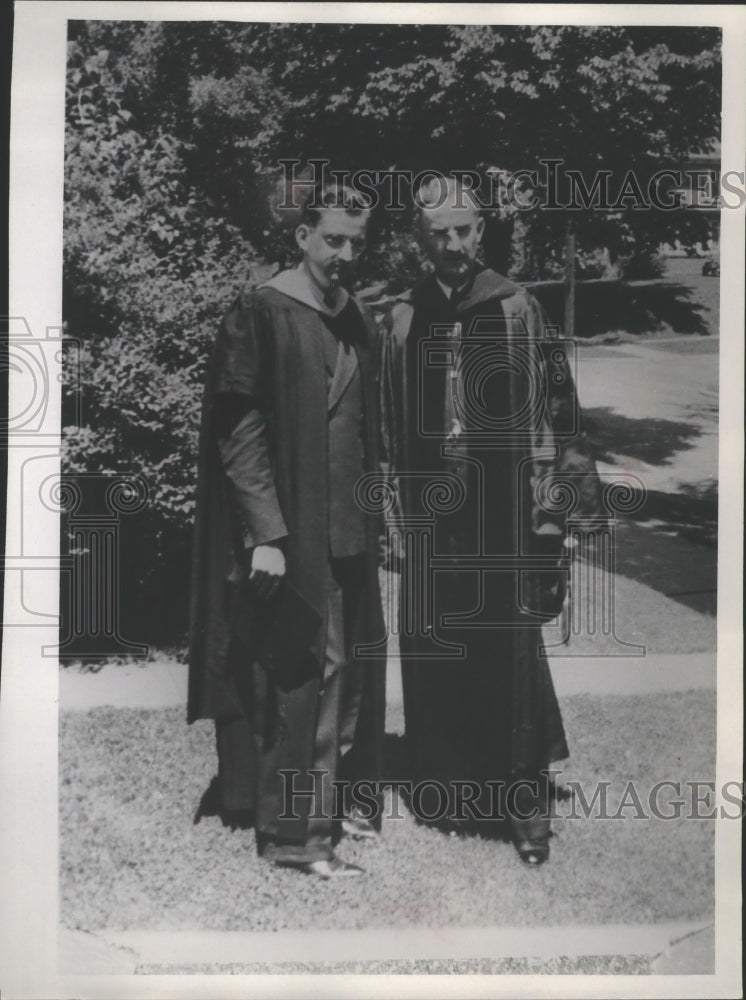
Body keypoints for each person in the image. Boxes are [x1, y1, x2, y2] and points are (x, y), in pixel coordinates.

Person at [380, 176, 603, 864]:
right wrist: (390, 515)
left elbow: (557, 414)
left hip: (503, 513)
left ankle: (525, 804)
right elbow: (386, 429)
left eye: (463, 230)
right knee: (438, 647)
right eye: (439, 234)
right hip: (431, 517)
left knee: (509, 652)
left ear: (481, 230)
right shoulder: (403, 318)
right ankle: (452, 791)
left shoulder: (515, 306)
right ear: (420, 239)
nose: (453, 245)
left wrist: (554, 516)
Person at [188, 181, 386, 878]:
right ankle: (296, 835)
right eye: (332, 239)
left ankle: (333, 805)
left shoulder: (353, 316)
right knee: (307, 677)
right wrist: (266, 534)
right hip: (294, 530)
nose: (345, 254)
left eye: (356, 242)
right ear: (302, 236)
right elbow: (239, 432)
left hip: (350, 528)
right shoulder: (264, 310)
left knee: (350, 673)